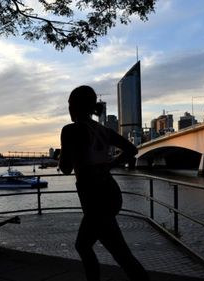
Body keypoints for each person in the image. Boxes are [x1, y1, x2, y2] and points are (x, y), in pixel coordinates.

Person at [58, 85, 150, 281]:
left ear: (74, 106)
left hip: (93, 195)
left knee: (113, 251)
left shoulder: (70, 130)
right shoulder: (103, 130)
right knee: (95, 246)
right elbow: (131, 150)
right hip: (109, 191)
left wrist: (61, 153)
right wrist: (110, 164)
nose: (69, 108)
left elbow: (65, 167)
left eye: (69, 104)